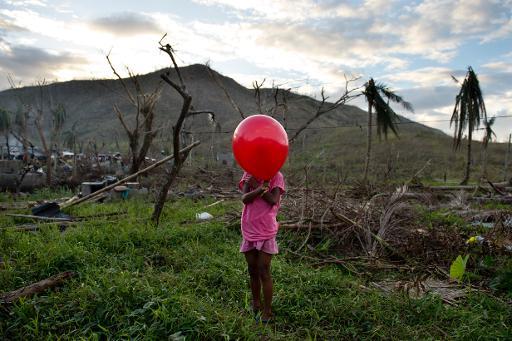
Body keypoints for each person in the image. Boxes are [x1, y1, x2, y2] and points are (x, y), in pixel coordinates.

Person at [239, 171, 285, 323]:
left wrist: (257, 187)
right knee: (252, 269)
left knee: (264, 270)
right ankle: (256, 303)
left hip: (266, 229)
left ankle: (267, 310)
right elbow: (245, 199)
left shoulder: (276, 176)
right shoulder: (249, 173)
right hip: (249, 227)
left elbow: (273, 200)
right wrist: (258, 188)